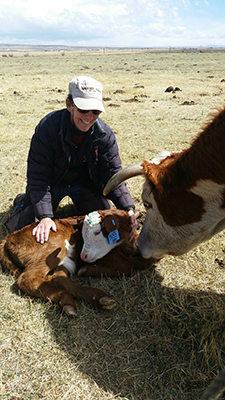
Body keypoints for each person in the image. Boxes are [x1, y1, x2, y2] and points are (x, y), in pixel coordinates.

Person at [7, 76, 137, 243]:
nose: (89, 117)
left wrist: (128, 208)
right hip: (52, 184)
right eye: (83, 109)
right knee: (27, 230)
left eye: (95, 111)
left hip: (83, 185)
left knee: (106, 221)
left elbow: (112, 174)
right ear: (69, 105)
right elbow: (38, 175)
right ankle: (23, 203)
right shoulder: (47, 128)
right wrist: (44, 217)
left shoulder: (104, 134)